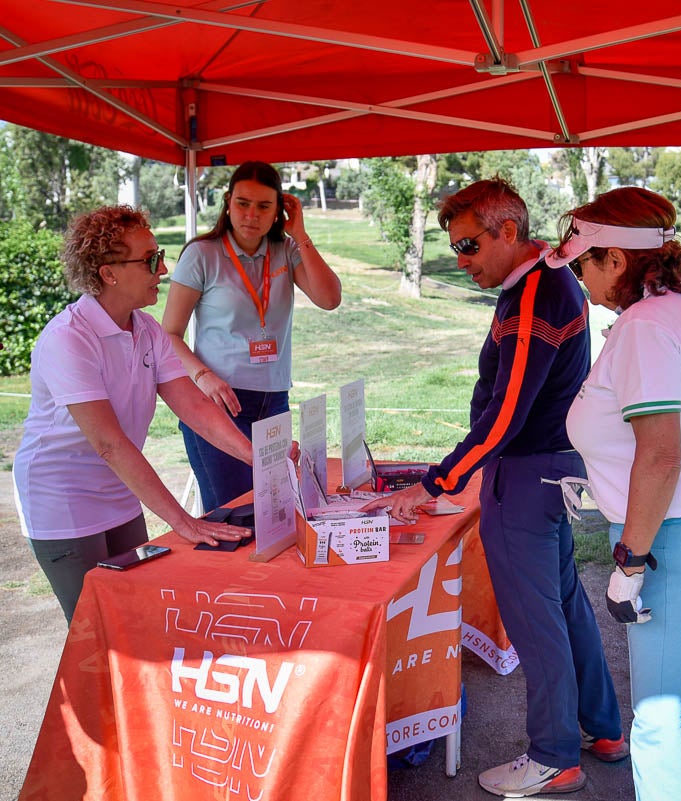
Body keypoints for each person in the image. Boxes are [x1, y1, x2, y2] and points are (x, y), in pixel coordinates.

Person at [361, 178, 626, 798]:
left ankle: (554, 755)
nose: (461, 261)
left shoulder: (535, 293)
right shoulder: (544, 283)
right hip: (550, 469)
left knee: (537, 622)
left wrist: (437, 482)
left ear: (508, 231)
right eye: (454, 248)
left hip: (525, 474)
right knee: (563, 606)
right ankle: (603, 728)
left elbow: (504, 416)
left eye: (468, 246)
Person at [550, 186, 681, 801]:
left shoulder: (647, 326)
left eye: (585, 264)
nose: (582, 281)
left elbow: (662, 453)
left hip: (679, 545)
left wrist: (630, 560)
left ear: (615, 260)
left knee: (660, 723)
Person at [12, 206, 254, 623]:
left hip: (121, 495)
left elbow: (194, 406)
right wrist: (182, 522)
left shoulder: (145, 328)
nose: (162, 268)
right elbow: (109, 444)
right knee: (96, 630)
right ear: (109, 273)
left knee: (137, 618)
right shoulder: (69, 339)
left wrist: (260, 458)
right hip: (63, 500)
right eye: (150, 260)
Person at [163, 161, 341, 512]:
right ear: (228, 202)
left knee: (273, 514)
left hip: (273, 401)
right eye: (243, 203)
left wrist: (300, 233)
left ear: (279, 211)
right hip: (219, 403)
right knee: (231, 514)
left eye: (264, 206)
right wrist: (204, 376)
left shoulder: (287, 251)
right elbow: (168, 334)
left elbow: (329, 299)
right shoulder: (202, 254)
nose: (251, 215)